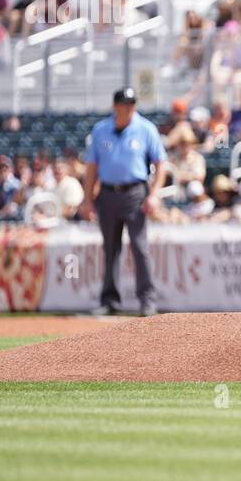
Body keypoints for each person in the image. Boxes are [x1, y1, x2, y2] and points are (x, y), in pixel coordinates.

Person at [80, 88, 167, 317]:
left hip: (135, 193)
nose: (128, 108)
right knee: (110, 248)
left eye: (131, 104)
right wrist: (87, 200)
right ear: (115, 106)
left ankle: (147, 301)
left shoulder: (146, 129)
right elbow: (91, 169)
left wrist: (154, 194)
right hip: (107, 193)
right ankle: (109, 300)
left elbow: (161, 164)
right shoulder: (100, 130)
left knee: (140, 247)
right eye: (124, 104)